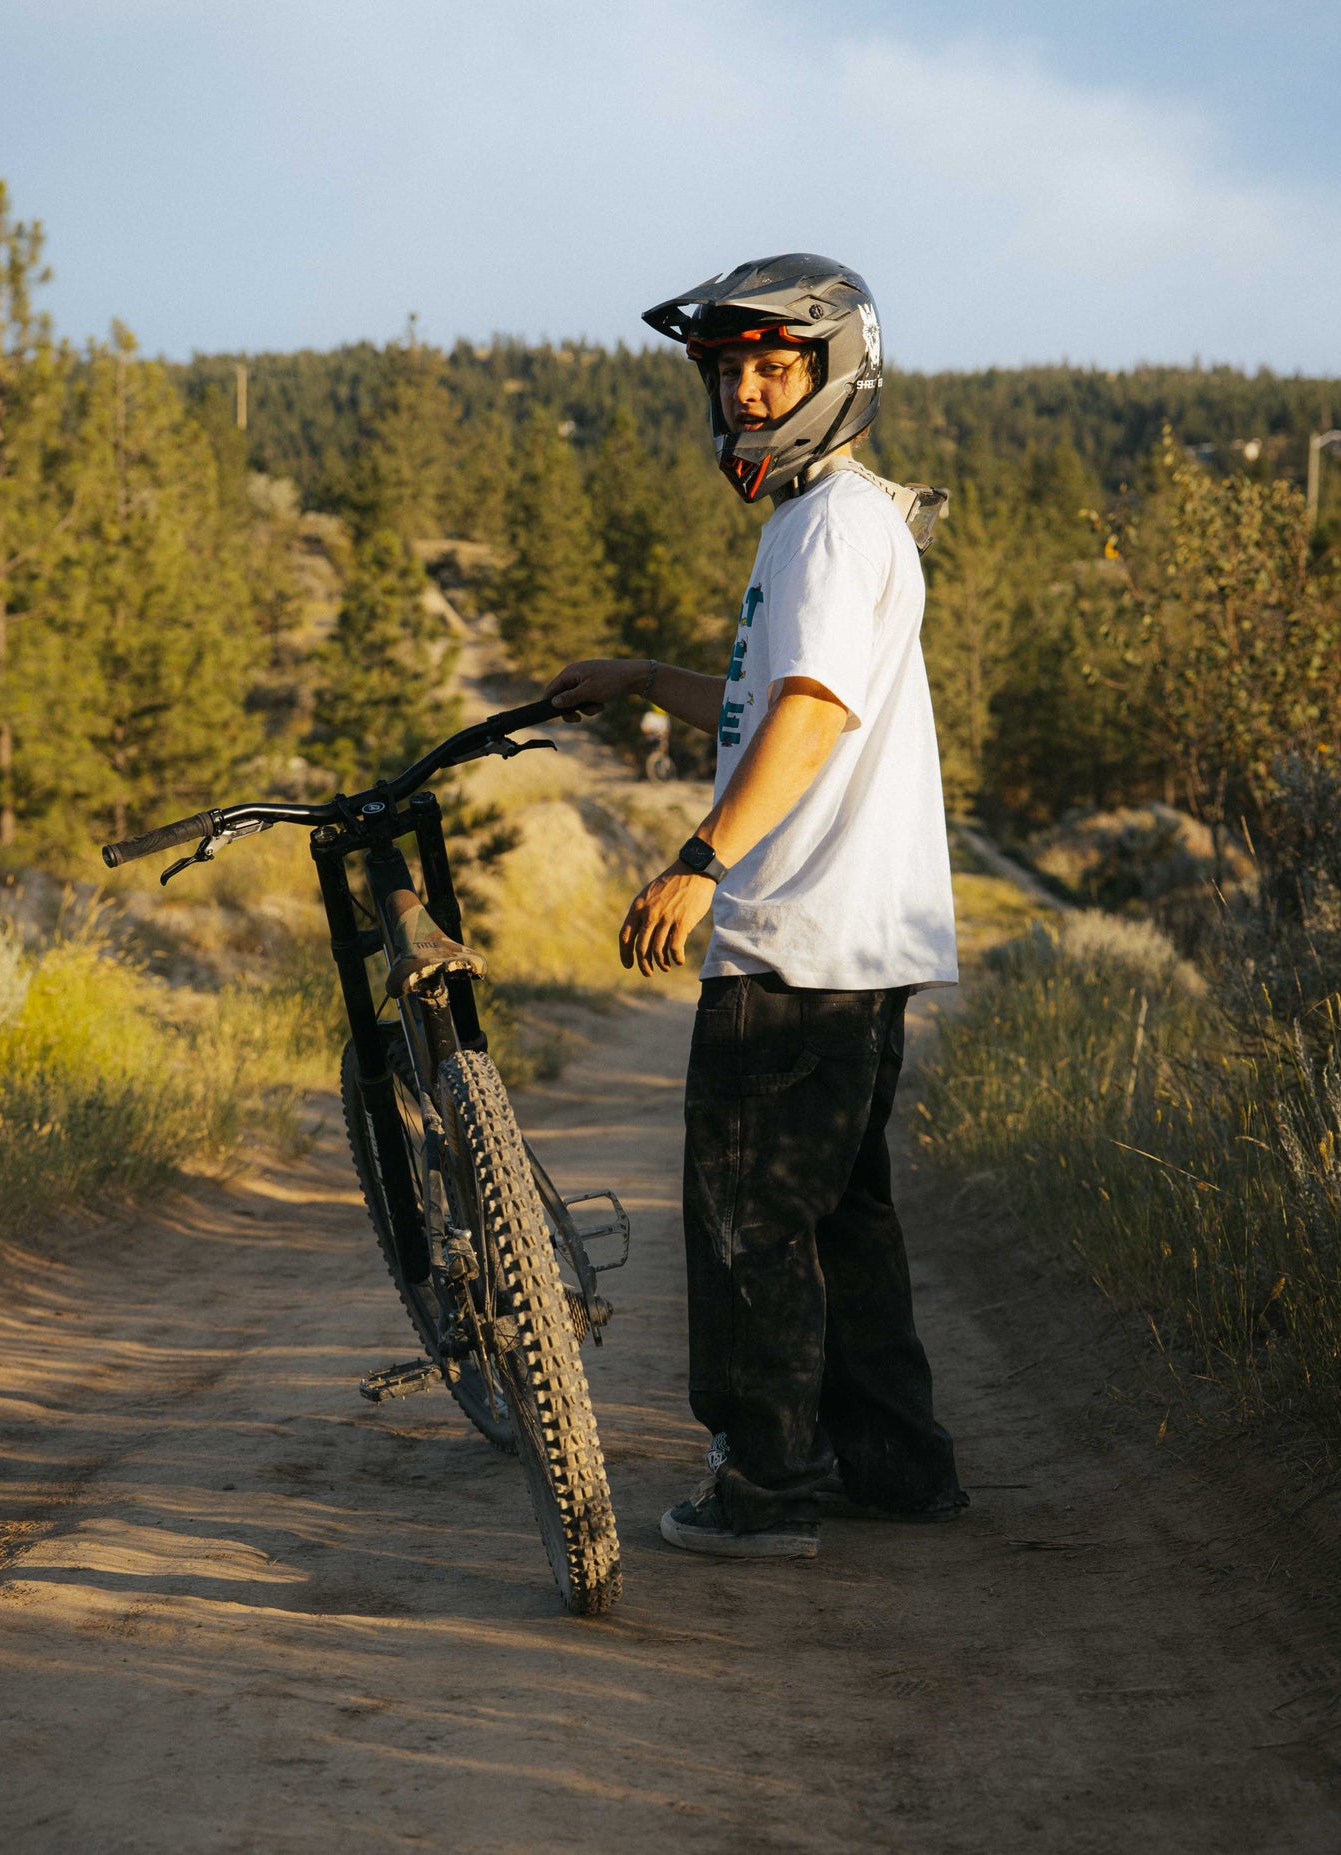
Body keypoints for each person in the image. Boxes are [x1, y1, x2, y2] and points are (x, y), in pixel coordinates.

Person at [544, 253, 964, 1559]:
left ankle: (768, 1486)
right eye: (729, 372)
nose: (744, 394)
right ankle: (895, 1466)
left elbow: (813, 712)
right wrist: (636, 673)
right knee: (838, 1217)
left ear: (836, 373)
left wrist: (700, 858)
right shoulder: (821, 523)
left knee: (746, 1223)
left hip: (797, 936)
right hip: (854, 942)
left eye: (773, 367)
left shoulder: (835, 526)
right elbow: (758, 702)